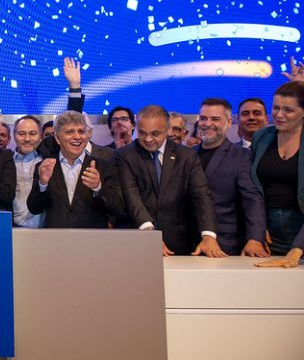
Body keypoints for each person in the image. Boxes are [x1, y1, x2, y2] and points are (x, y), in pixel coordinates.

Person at [114, 105, 225, 257]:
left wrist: (208, 235)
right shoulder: (124, 155)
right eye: (142, 133)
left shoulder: (187, 156)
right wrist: (149, 233)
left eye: (155, 134)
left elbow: (201, 195)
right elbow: (131, 194)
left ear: (167, 130)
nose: (148, 139)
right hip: (137, 240)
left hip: (179, 243)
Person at [196, 98, 267, 256]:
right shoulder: (186, 154)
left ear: (229, 122)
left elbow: (252, 199)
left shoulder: (242, 156)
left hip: (225, 246)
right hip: (185, 245)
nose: (207, 123)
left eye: (215, 119)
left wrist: (255, 238)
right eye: (203, 118)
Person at [27, 110, 122, 228]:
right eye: (70, 132)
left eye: (81, 131)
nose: (77, 137)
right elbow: (34, 208)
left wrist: (98, 188)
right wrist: (43, 184)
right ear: (57, 138)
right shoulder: (44, 167)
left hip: (92, 237)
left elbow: (117, 208)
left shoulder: (104, 166)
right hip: (55, 237)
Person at [251, 81, 304, 267]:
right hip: (269, 235)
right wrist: (258, 228)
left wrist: (297, 249)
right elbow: (252, 188)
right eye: (276, 108)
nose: (279, 115)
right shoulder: (261, 137)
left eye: (288, 110)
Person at [11, 115, 44, 227]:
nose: (27, 139)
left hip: (45, 229)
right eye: (21, 134)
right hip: (12, 229)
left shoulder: (47, 162)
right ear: (14, 136)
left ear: (40, 136)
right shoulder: (6, 163)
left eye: (32, 133)